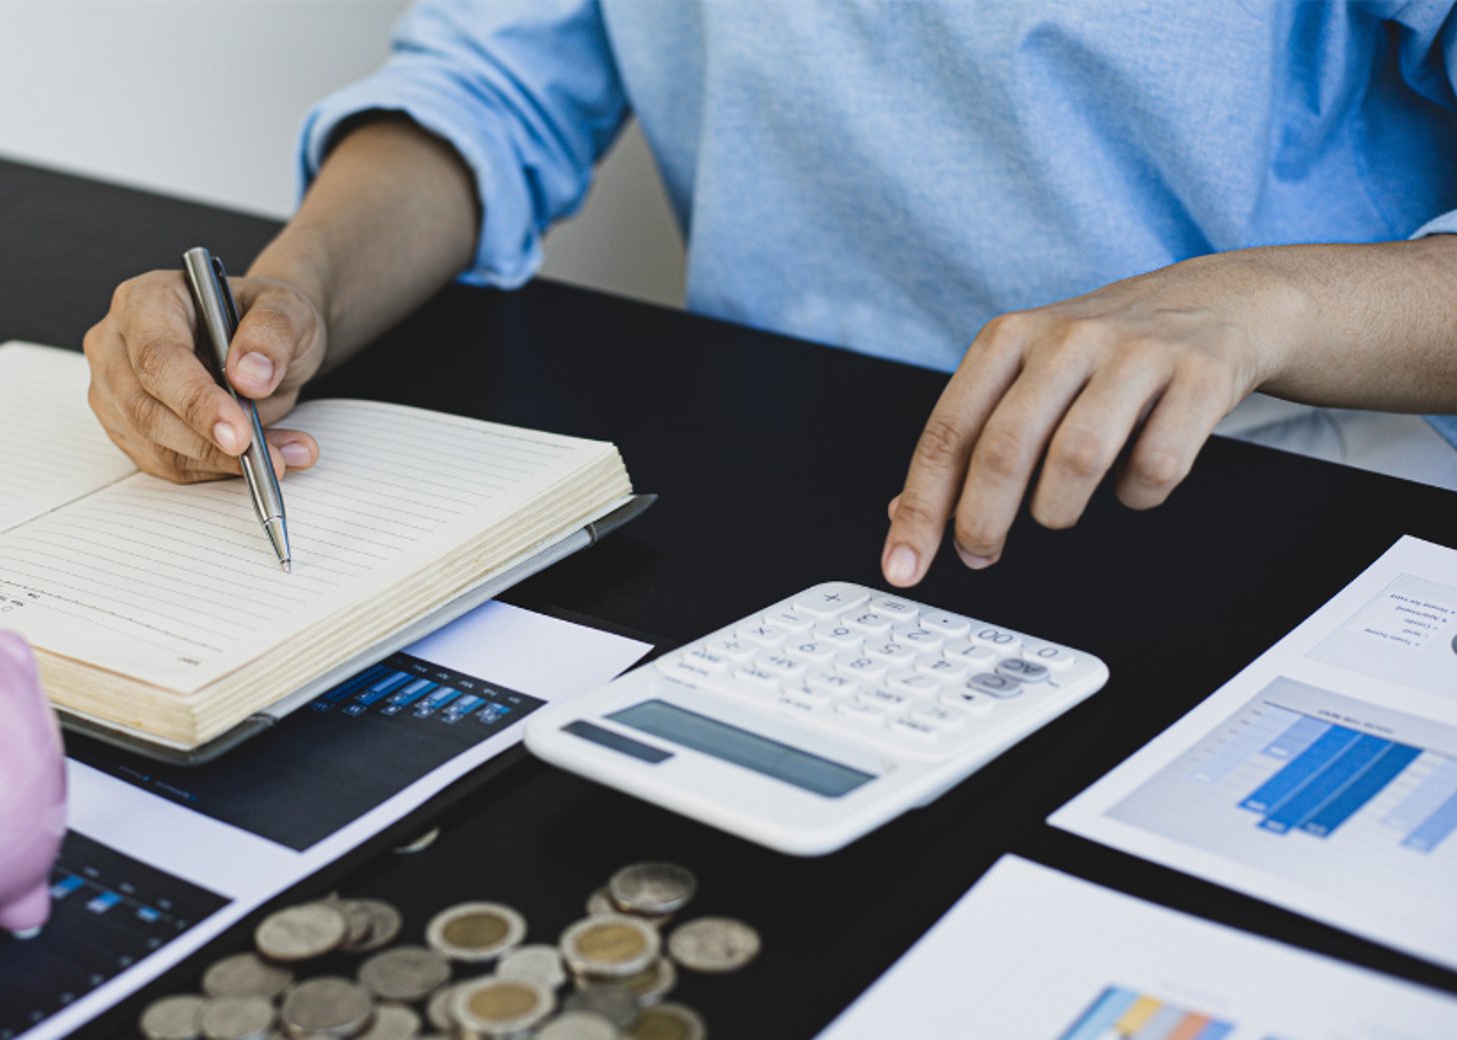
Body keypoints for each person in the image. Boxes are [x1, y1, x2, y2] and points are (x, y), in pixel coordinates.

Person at [83, 1, 1457, 589]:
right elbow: (493, 87)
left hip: (1271, 506)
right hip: (785, 493)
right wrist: (295, 286)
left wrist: (1274, 303)